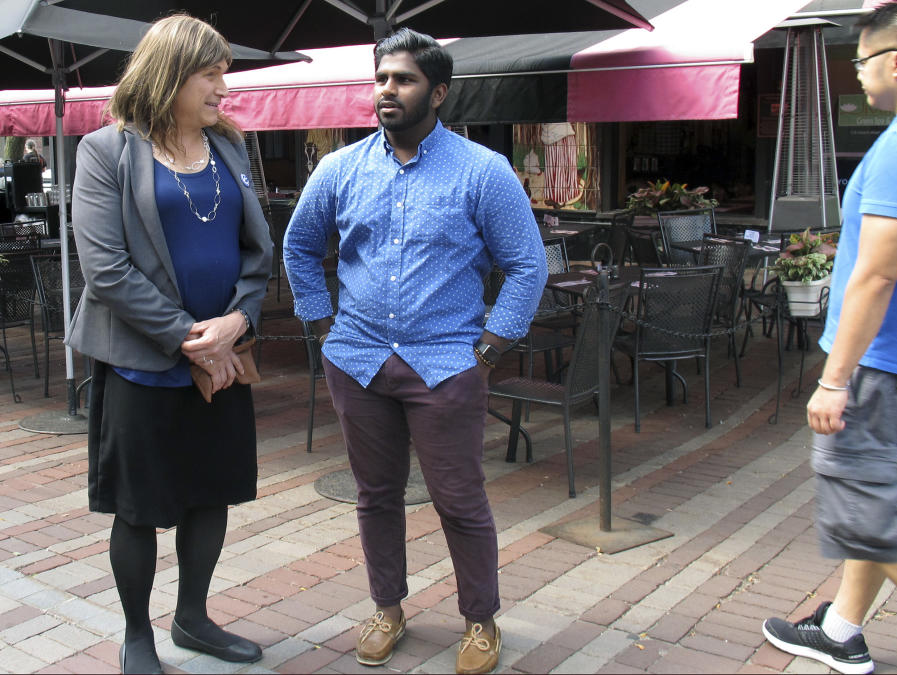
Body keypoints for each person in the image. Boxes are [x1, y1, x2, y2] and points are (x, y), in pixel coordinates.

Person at [284, 27, 546, 675]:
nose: (386, 91)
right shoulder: (339, 169)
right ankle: (388, 608)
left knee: (459, 498)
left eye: (402, 80)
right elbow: (298, 246)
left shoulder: (483, 172)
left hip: (446, 366)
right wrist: (323, 328)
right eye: (380, 79)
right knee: (376, 495)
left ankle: (480, 621)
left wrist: (488, 348)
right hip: (358, 362)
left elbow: (526, 264)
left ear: (439, 92)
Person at [65, 15, 272, 674]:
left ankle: (193, 617)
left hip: (224, 354)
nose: (222, 86)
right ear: (170, 73)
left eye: (224, 73)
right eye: (210, 73)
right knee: (139, 506)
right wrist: (192, 338)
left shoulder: (232, 147)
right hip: (142, 363)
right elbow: (106, 270)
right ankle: (136, 634)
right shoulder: (106, 151)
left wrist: (236, 323)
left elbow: (257, 253)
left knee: (211, 491)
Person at [761, 3, 897, 674]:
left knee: (872, 519)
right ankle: (843, 628)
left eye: (862, 60)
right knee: (886, 504)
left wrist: (834, 376)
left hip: (891, 365)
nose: (858, 73)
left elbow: (876, 273)